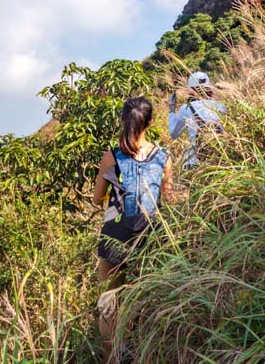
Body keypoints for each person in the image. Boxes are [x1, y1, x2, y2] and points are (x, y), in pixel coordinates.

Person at [92, 96, 173, 364]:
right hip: (150, 236)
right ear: (150, 121)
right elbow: (169, 200)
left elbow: (96, 198)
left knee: (109, 302)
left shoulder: (111, 156)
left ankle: (111, 357)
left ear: (122, 120)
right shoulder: (163, 157)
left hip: (115, 233)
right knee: (144, 299)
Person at [168, 71, 227, 168]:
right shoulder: (221, 106)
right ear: (209, 88)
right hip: (219, 163)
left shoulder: (185, 108)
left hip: (193, 163)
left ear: (191, 90)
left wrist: (171, 110)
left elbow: (174, 134)